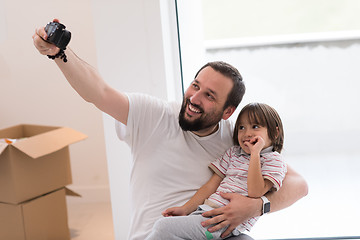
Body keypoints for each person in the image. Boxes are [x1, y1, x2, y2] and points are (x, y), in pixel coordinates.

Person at [32, 20, 308, 240]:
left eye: (210, 96)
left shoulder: (237, 141)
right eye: (195, 85)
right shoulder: (153, 115)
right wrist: (59, 53)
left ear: (227, 112)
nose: (195, 98)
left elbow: (299, 185)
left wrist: (258, 206)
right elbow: (99, 92)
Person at [145, 103, 287, 240]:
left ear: (275, 132)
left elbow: (255, 192)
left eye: (255, 127)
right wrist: (185, 209)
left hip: (223, 223)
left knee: (163, 227)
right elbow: (210, 186)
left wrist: (255, 154)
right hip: (204, 212)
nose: (247, 133)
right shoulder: (233, 153)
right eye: (242, 127)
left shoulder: (274, 160)